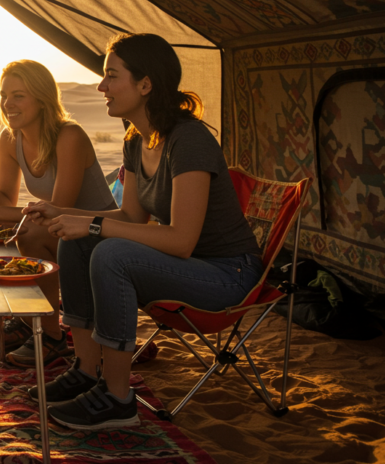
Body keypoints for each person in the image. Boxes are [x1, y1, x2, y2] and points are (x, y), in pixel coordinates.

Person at [23, 33, 262, 430]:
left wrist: (95, 224)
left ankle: (118, 398)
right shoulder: (136, 138)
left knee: (110, 252)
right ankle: (86, 369)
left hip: (226, 275)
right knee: (78, 241)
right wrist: (61, 212)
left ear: (145, 84)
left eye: (112, 76)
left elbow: (182, 241)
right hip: (184, 267)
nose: (102, 86)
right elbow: (132, 215)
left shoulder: (189, 141)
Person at [0, 60, 115, 368]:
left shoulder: (69, 136)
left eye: (18, 95)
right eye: (3, 95)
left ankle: (51, 336)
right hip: (64, 229)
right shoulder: (10, 138)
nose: (7, 104)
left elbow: (60, 211)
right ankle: (30, 321)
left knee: (28, 231)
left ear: (42, 99)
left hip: (101, 236)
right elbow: (5, 200)